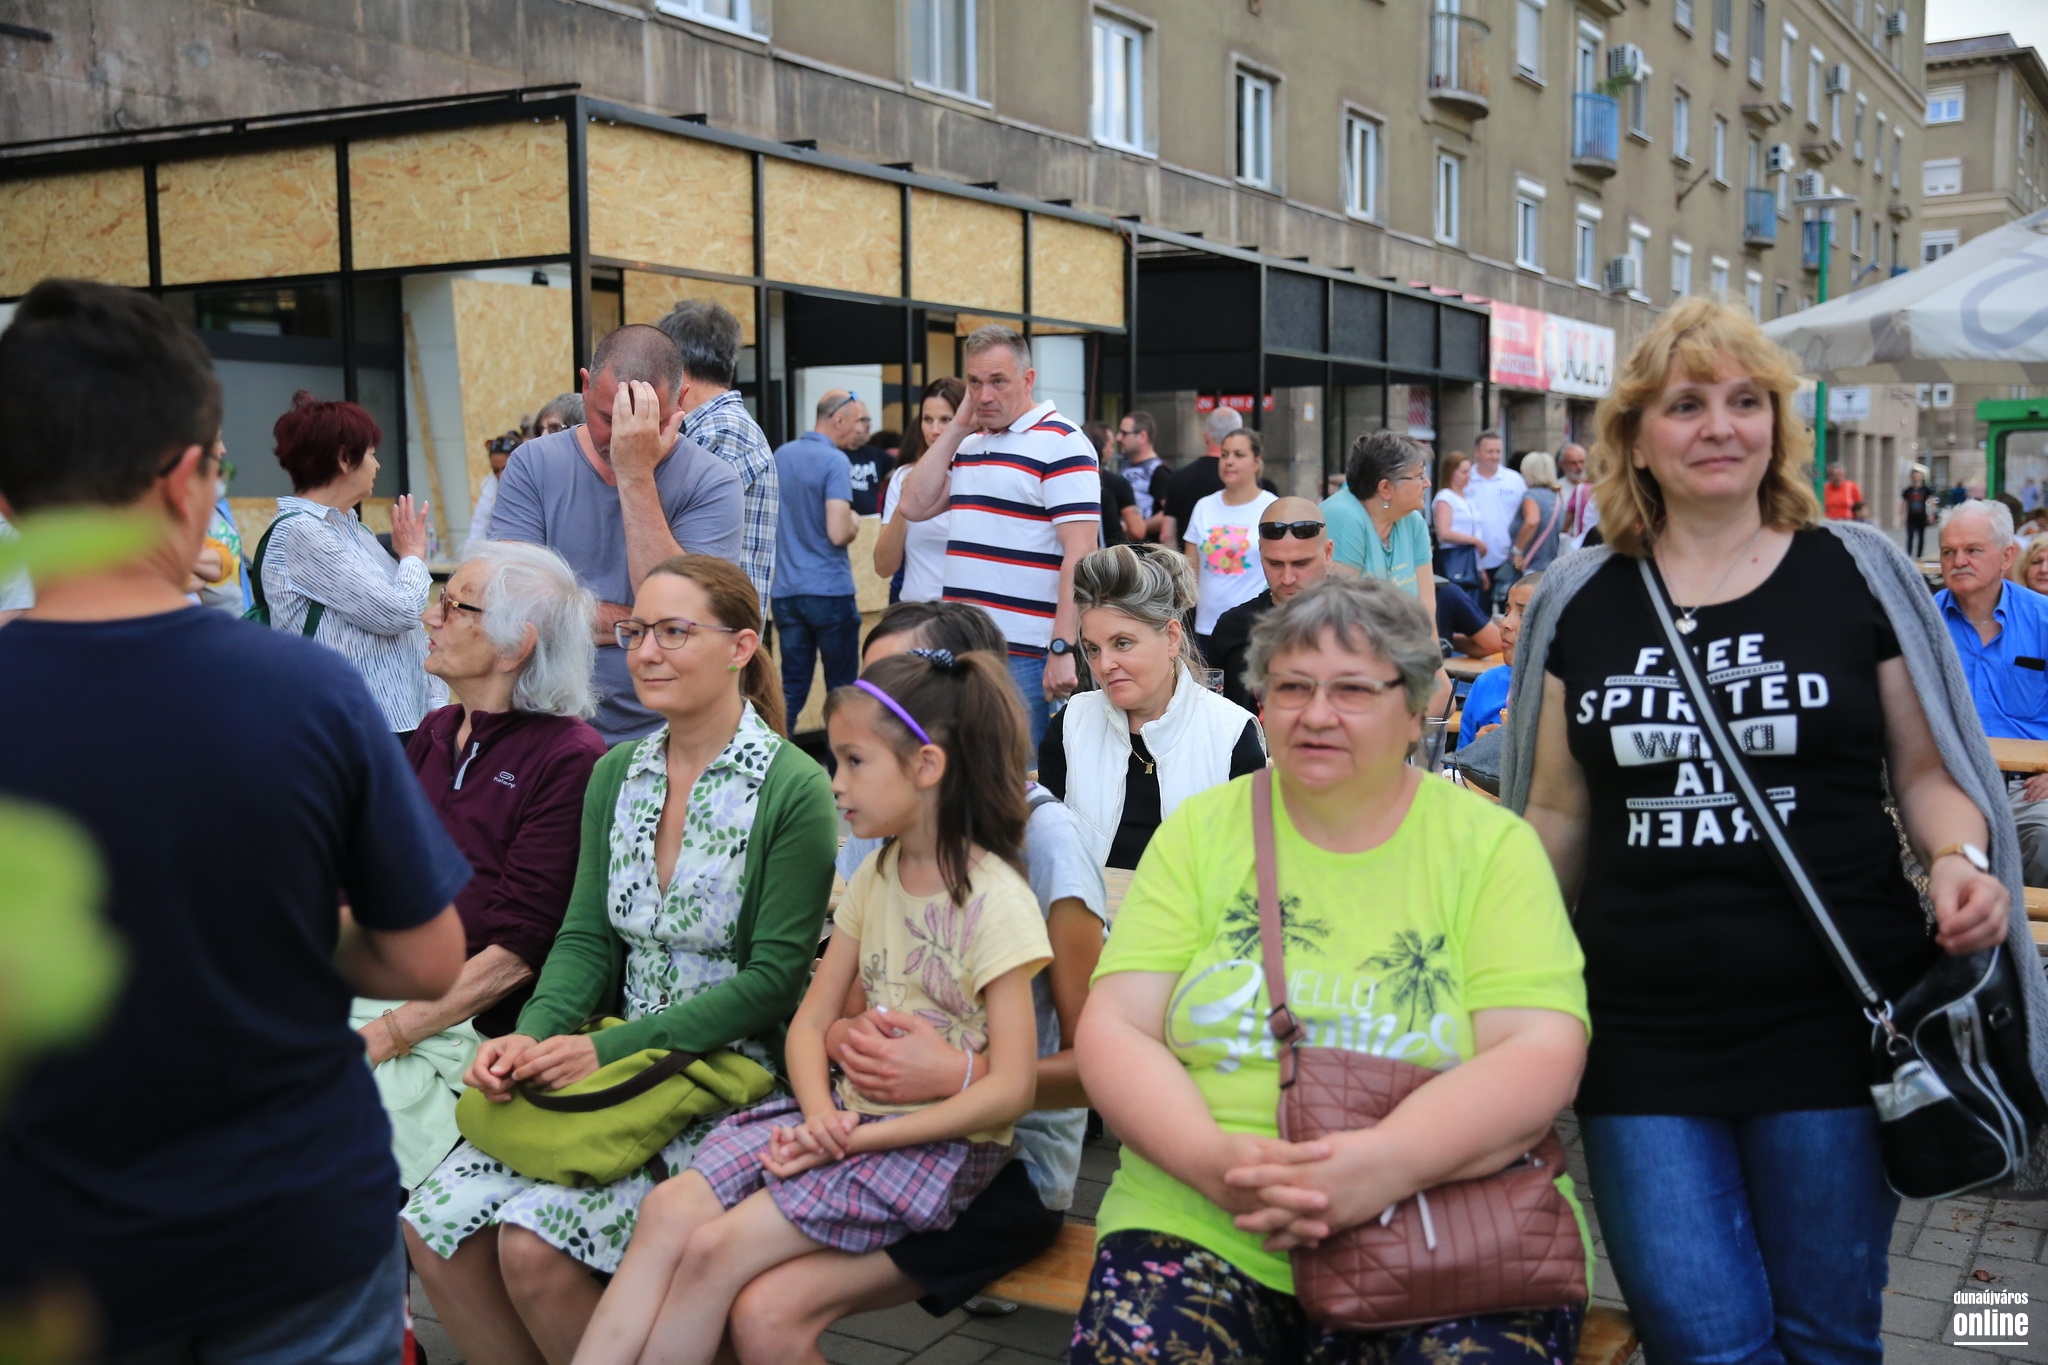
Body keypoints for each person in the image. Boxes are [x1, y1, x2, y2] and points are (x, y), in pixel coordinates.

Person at [1506, 298, 2031, 1365]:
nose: (1719, 426)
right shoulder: (1581, 595)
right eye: (1685, 404)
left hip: (1835, 1022)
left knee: (1828, 1338)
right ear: (1634, 436)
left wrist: (1957, 858)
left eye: (1745, 401)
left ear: (1776, 425)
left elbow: (1926, 772)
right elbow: (1554, 811)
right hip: (1638, 1033)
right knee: (1701, 1342)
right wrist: (1501, 973)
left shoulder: (1855, 569)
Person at [0, 279, 469, 1361]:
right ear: (185, 483)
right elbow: (429, 954)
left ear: (11, 500)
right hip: (291, 1230)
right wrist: (282, 922)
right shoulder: (305, 693)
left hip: (54, 1256)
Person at [1071, 575, 1593, 1364]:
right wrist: (1216, 1163)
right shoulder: (1202, 833)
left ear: (1416, 706)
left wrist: (1383, 1165)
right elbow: (1116, 1027)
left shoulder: (1489, 848)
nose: (1316, 713)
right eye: (1292, 687)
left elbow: (1539, 1050)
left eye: (1352, 689)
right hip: (1205, 1212)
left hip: (1445, 1218)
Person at [403, 554, 837, 1365]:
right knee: (432, 1226)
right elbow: (583, 939)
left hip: (729, 1079)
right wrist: (531, 1035)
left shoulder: (792, 785)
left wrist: (598, 1050)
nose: (645, 652)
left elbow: (773, 983)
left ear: (741, 647)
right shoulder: (618, 772)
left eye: (674, 632)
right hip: (613, 1068)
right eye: (636, 632)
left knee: (532, 1248)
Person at [571, 648, 1051, 1365]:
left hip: (934, 1147)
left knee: (714, 1252)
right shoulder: (878, 873)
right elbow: (811, 1023)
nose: (836, 783)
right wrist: (823, 1117)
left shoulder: (998, 903)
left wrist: (850, 1137)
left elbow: (1014, 1087)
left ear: (927, 766)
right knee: (668, 1210)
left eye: (855, 762)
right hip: (845, 1119)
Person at [719, 598, 1106, 1357]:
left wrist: (960, 1071)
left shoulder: (1045, 842)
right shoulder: (885, 831)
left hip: (1007, 1160)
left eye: (897, 689)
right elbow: (838, 1013)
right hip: (879, 1124)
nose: (874, 714)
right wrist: (850, 1040)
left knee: (760, 1302)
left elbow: (1100, 1066)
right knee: (724, 1273)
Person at [357, 541, 608, 1191]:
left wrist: (385, 1035)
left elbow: (518, 953)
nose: (430, 617)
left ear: (514, 645)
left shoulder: (568, 757)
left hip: (471, 1026)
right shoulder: (439, 729)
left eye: (453, 606)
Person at [487, 324, 744, 745]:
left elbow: (684, 612)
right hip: (543, 722)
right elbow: (515, 607)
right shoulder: (532, 463)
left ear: (680, 403)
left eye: (647, 421)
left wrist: (635, 474)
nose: (623, 436)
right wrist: (644, 624)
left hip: (665, 731)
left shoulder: (713, 481)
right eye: (609, 418)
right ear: (585, 387)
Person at [895, 325, 1100, 752]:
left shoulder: (1062, 443)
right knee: (965, 771)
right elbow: (912, 505)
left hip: (1024, 652)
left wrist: (1061, 647)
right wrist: (956, 427)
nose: (984, 395)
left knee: (1020, 775)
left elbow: (1082, 553)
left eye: (997, 381)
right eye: (974, 383)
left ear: (1028, 379)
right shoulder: (970, 444)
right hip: (960, 642)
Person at [1040, 543, 1266, 869]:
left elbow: (1249, 869)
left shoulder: (1231, 735)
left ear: (1171, 637)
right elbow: (1047, 856)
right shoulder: (1071, 724)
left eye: (1122, 643)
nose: (1104, 664)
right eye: (1092, 649)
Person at [261, 390, 439, 737]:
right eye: (371, 453)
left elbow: (408, 630)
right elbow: (399, 612)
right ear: (345, 458)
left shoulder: (353, 529)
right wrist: (413, 555)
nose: (377, 465)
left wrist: (434, 704)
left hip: (398, 721)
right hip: (350, 728)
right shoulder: (302, 532)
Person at [1935, 500, 2048, 888]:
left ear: (2007, 556)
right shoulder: (1921, 623)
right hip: (1947, 783)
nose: (1959, 561)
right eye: (1948, 552)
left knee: (2045, 839)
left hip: (2029, 787)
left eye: (1972, 550)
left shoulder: (2043, 618)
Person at [657, 300, 778, 610]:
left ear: (675, 366)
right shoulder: (714, 426)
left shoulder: (722, 431)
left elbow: (674, 531)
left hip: (714, 620)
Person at [771, 389, 864, 726]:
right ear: (838, 419)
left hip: (786, 592)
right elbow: (838, 531)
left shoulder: (781, 455)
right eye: (856, 422)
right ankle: (842, 762)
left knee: (791, 689)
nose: (859, 430)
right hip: (829, 591)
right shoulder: (835, 461)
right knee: (842, 692)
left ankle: (774, 756)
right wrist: (853, 521)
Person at [1207, 496, 1334, 710]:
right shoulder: (1233, 628)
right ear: (1260, 553)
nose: (1287, 578)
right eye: (1275, 563)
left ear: (1327, 553)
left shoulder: (1362, 623)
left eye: (1301, 563)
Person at [1322, 430, 1438, 630]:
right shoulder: (1344, 517)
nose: (1427, 484)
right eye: (1419, 476)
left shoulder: (1413, 521)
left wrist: (1432, 652)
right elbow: (1341, 616)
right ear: (1385, 488)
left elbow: (1426, 611)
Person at [1183, 427, 1280, 654]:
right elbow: (1189, 572)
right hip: (1207, 627)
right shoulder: (1204, 506)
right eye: (1224, 454)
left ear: (1257, 461)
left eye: (1239, 454)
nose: (1229, 461)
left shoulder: (1272, 507)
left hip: (1256, 626)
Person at [876, 377, 965, 605]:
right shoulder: (904, 476)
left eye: (946, 420)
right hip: (916, 610)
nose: (935, 430)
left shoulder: (980, 475)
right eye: (927, 419)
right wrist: (904, 505)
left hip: (966, 614)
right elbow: (884, 566)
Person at [1457, 570, 1539, 748]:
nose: (1505, 624)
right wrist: (1478, 753)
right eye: (1506, 613)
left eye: (1523, 615)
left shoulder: (1571, 696)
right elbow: (1457, 761)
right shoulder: (1486, 684)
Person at [1161, 406, 1239, 550]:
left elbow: (1167, 535)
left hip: (1187, 560)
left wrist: (1178, 563)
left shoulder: (1179, 477)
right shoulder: (1241, 480)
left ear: (1206, 437)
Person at [1465, 432, 1526, 608]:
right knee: (1477, 614)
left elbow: (1525, 516)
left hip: (1507, 559)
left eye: (1498, 451)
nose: (1494, 456)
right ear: (1477, 452)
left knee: (1508, 611)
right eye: (1489, 451)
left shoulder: (1514, 480)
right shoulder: (1466, 479)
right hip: (1474, 561)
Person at [1432, 450, 1486, 606]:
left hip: (1471, 560)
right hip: (1454, 556)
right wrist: (1474, 541)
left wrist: (1480, 568)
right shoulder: (1445, 498)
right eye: (1463, 472)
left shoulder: (1466, 498)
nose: (1468, 476)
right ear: (1451, 473)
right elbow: (1444, 532)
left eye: (1469, 472)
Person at [1115, 409, 1173, 541]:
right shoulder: (1124, 467)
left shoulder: (1158, 471)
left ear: (1142, 436)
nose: (1118, 438)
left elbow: (1171, 512)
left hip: (1146, 548)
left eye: (1124, 433)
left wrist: (1138, 527)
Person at [1085, 420, 1144, 547]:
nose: (1112, 451)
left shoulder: (1071, 484)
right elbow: (1137, 530)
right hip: (1106, 551)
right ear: (1100, 448)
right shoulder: (1117, 485)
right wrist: (1117, 527)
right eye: (1110, 446)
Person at [1509, 451, 1567, 577]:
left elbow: (1532, 521)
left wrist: (1517, 551)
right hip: (1550, 567)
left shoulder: (1531, 496)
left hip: (1531, 568)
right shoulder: (1556, 496)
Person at [466, 430, 522, 558]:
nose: (501, 475)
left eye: (505, 468)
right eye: (495, 470)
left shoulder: (535, 483)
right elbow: (478, 529)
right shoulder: (490, 489)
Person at [835, 394, 892, 517]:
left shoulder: (875, 454)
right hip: (842, 522)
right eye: (863, 419)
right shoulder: (832, 455)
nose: (869, 425)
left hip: (870, 524)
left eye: (868, 420)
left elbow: (903, 472)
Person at [1557, 442, 1598, 552]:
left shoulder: (1596, 488)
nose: (1579, 467)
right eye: (1573, 463)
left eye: (1582, 462)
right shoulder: (1556, 488)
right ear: (1563, 464)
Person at [1902, 466, 1937, 558]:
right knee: (1910, 537)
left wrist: (1931, 513)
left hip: (1921, 516)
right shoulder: (1908, 491)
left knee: (1921, 537)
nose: (1915, 477)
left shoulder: (1925, 490)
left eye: (1917, 475)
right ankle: (1908, 555)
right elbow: (1904, 503)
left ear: (1921, 477)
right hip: (1911, 516)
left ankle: (1919, 556)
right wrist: (1904, 515)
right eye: (1914, 475)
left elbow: (1931, 501)